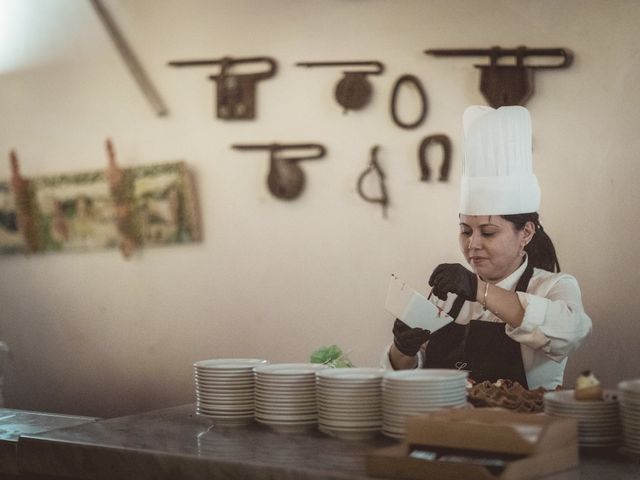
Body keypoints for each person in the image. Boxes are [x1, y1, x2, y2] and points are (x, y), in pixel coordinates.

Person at [381, 105, 592, 390]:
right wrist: (402, 349)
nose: (472, 244)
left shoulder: (554, 287)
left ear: (525, 233)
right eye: (465, 231)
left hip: (520, 430)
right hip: (443, 424)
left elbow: (570, 332)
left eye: (488, 232)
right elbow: (406, 378)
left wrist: (479, 290)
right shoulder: (448, 295)